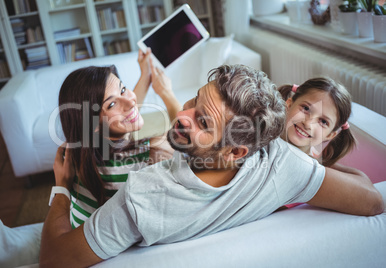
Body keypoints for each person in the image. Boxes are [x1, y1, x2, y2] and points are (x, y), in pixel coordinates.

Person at [40, 64, 384, 267]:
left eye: (203, 121)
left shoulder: (141, 197)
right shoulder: (283, 165)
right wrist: (318, 165)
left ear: (236, 152)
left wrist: (61, 186)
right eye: (195, 101)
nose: (182, 116)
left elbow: (54, 259)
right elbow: (373, 199)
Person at [58, 49, 181, 228]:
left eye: (123, 89)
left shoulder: (71, 153)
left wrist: (145, 76)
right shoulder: (149, 153)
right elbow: (189, 131)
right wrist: (166, 92)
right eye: (112, 104)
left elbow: (119, 114)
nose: (131, 102)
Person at [278, 77, 355, 166]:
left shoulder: (314, 168)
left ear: (329, 135)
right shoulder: (261, 136)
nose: (308, 124)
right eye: (306, 109)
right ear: (289, 104)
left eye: (323, 122)